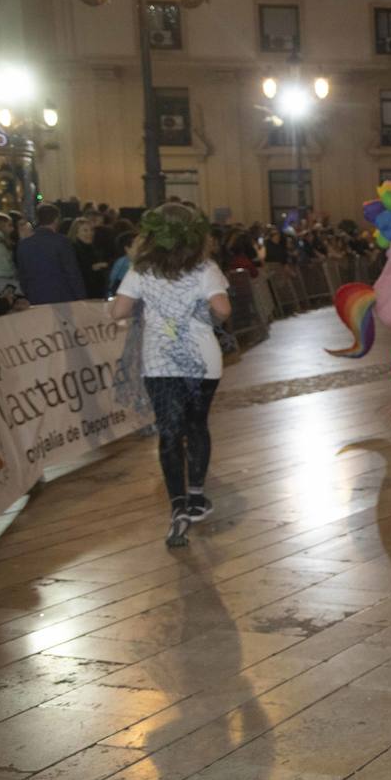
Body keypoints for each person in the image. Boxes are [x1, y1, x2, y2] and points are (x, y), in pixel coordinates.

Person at [109, 203, 231, 548]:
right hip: (203, 362)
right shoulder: (206, 268)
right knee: (197, 426)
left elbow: (118, 310)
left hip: (159, 363)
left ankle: (177, 506)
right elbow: (223, 310)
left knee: (169, 430)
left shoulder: (141, 269)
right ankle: (196, 497)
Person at [17, 203, 86, 304]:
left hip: (35, 297)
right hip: (62, 297)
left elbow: (22, 276)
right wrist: (81, 297)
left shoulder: (24, 245)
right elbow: (72, 272)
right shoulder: (62, 241)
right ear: (56, 219)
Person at [70, 216, 111, 299]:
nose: (90, 233)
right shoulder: (73, 250)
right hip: (83, 294)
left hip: (95, 293)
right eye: (85, 230)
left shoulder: (93, 248)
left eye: (92, 230)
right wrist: (92, 268)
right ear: (76, 233)